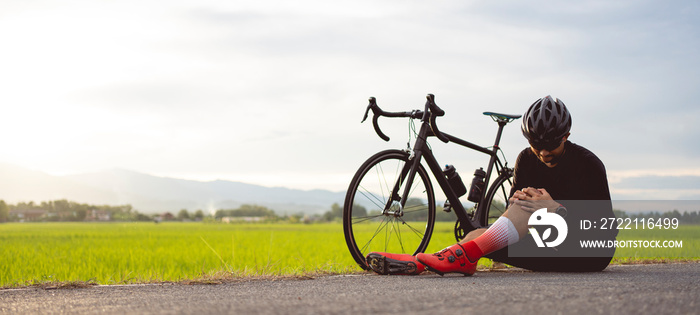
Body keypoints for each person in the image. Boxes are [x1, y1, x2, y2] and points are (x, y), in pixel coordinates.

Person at [365, 95, 616, 276]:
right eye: (535, 144)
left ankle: (446, 258)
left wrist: (555, 209)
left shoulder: (589, 164)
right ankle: (421, 263)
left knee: (525, 206)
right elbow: (514, 217)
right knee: (479, 234)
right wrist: (526, 208)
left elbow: (603, 233)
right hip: (546, 246)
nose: (542, 152)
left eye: (549, 145)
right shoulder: (525, 160)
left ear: (566, 136)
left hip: (587, 254)